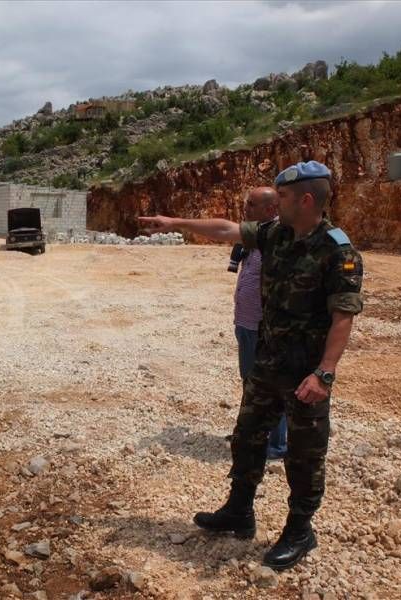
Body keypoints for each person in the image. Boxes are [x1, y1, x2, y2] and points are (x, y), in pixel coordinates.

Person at [139, 161, 363, 570]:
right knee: (247, 438)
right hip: (268, 361)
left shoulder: (337, 250)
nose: (276, 205)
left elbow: (343, 316)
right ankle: (239, 511)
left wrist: (325, 373)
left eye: (283, 198)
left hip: (305, 374)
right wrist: (173, 221)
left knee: (304, 455)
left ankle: (300, 530)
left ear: (306, 200)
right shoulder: (276, 234)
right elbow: (226, 229)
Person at [231, 187, 287, 460]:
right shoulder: (254, 238)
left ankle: (276, 444)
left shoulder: (276, 239)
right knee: (250, 382)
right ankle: (250, 433)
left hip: (262, 328)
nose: (246, 208)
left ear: (270, 209)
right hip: (245, 323)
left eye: (251, 205)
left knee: (271, 387)